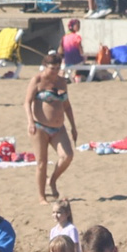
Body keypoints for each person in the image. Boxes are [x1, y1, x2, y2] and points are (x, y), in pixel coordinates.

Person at [26, 54, 75, 200]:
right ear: (45, 66)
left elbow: (67, 105)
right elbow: (27, 102)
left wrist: (73, 126)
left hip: (59, 127)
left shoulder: (61, 81)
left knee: (67, 156)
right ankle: (42, 197)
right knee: (42, 163)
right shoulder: (37, 80)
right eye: (52, 68)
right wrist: (30, 122)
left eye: (58, 68)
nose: (55, 71)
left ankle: (52, 180)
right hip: (39, 127)